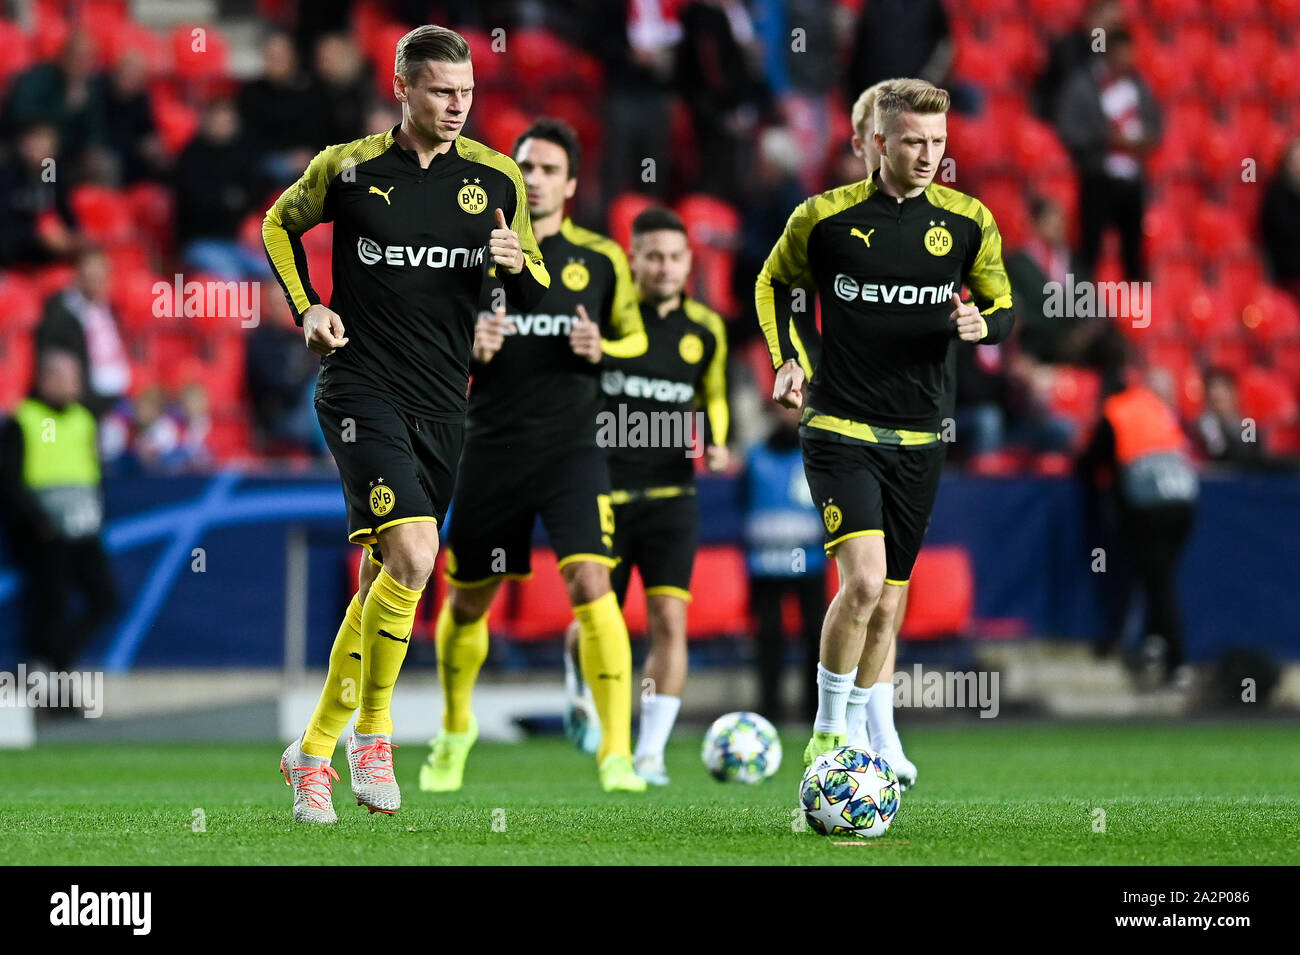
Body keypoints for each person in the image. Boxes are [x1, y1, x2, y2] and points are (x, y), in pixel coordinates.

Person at [262, 24, 549, 824]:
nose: (457, 106)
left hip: (442, 404)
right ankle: (373, 735)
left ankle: (310, 749)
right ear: (403, 88)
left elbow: (533, 289)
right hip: (358, 388)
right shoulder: (348, 169)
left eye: (466, 93)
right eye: (441, 92)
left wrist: (516, 268)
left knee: (380, 582)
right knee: (418, 553)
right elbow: (277, 226)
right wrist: (309, 307)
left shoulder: (495, 179)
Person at [755, 79, 1013, 775]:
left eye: (937, 142)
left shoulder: (966, 221)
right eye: (911, 142)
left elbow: (1005, 303)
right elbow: (772, 283)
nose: (927, 155)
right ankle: (828, 733)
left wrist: (981, 321)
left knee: (890, 600)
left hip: (922, 435)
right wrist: (786, 362)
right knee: (863, 582)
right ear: (875, 142)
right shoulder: (824, 218)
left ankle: (877, 733)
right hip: (840, 424)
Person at [417, 118, 649, 795]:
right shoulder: (472, 253)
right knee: (465, 603)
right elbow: (426, 349)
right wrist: (470, 351)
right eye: (525, 167)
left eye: (549, 168)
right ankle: (455, 729)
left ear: (572, 183)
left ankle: (616, 751)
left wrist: (602, 350)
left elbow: (640, 344)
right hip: (491, 446)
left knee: (591, 584)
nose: (536, 178)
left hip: (574, 448)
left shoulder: (602, 260)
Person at [559, 205, 729, 785]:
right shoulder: (601, 319)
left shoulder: (706, 328)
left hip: (672, 495)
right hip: (602, 488)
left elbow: (714, 396)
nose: (664, 267)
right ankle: (578, 677)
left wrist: (721, 442)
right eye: (652, 256)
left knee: (668, 619)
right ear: (633, 260)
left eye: (675, 257)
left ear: (689, 263)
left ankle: (650, 749)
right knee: (594, 612)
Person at [0, 350, 117, 683]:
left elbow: (91, 469)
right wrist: (40, 521)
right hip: (45, 534)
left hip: (83, 527)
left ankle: (55, 665)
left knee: (105, 598)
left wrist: (96, 510)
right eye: (68, 378)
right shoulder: (25, 419)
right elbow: (9, 480)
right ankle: (51, 686)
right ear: (47, 379)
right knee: (51, 607)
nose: (75, 385)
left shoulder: (83, 419)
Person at [1078, 361, 1198, 682]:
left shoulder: (1117, 410)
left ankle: (1177, 662)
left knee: (1159, 585)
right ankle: (1155, 643)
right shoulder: (1155, 407)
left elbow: (1092, 459)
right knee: (1158, 579)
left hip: (1150, 505)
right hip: (1183, 499)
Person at [1055, 27, 1161, 282]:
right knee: (1090, 249)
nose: (1127, 60)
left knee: (1133, 252)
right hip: (1097, 179)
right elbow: (1069, 127)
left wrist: (1144, 141)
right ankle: (1081, 309)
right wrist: (1104, 139)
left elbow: (1155, 126)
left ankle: (1136, 312)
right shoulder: (1085, 85)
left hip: (1132, 180)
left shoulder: (1139, 86)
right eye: (1122, 54)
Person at [743, 402, 825, 723]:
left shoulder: (814, 456)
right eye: (781, 409)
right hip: (764, 563)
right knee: (768, 635)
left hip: (809, 560)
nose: (788, 414)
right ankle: (769, 709)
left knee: (815, 635)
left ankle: (814, 709)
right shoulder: (754, 457)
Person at [35, 246, 132, 418]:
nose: (96, 279)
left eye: (101, 274)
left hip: (118, 395)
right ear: (77, 275)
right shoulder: (62, 311)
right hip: (87, 398)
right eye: (91, 273)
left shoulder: (111, 309)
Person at [1195, 367, 1266, 468]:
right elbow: (1218, 453)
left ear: (1234, 393)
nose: (1218, 393)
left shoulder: (1248, 425)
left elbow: (1251, 457)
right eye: (1213, 388)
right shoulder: (1205, 424)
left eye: (1224, 388)